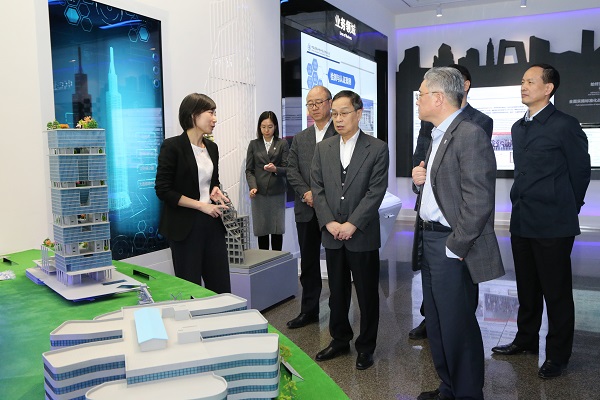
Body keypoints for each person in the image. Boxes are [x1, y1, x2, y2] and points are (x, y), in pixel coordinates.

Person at [491, 64, 591, 380]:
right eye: (522, 81)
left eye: (530, 82)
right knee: (527, 287)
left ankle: (558, 355)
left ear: (548, 89)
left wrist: (567, 207)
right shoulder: (518, 127)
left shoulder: (565, 125)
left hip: (554, 223)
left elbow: (580, 172)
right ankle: (526, 340)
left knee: (556, 292)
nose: (523, 86)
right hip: (522, 218)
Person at [412, 67, 504, 400]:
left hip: (449, 244)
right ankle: (448, 388)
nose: (418, 100)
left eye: (422, 94)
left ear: (438, 98)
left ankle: (467, 394)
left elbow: (479, 201)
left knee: (457, 327)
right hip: (429, 240)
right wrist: (418, 183)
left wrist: (456, 246)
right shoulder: (437, 133)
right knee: (437, 324)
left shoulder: (469, 134)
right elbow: (440, 188)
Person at [311, 90, 389, 371]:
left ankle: (366, 347)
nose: (338, 119)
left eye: (344, 113)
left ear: (358, 113)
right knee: (337, 293)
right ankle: (339, 339)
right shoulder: (324, 148)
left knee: (367, 295)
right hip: (332, 234)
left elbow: (375, 191)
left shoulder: (377, 148)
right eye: (334, 113)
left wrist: (352, 224)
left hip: (362, 234)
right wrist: (329, 222)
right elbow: (317, 188)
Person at [155, 93, 231, 294]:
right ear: (193, 115)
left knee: (221, 287)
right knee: (190, 289)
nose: (215, 119)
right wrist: (201, 205)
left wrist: (215, 189)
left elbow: (212, 180)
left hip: (212, 223)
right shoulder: (172, 147)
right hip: (185, 227)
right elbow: (163, 190)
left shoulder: (212, 148)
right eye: (210, 113)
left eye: (215, 113)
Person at [285, 85, 337, 329]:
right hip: (306, 209)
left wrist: (321, 196)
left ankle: (338, 311)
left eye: (318, 102)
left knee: (336, 263)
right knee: (308, 262)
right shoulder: (300, 138)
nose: (314, 107)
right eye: (310, 104)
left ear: (330, 103)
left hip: (334, 211)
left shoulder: (340, 133)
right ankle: (309, 311)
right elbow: (291, 169)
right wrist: (306, 193)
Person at [245, 111, 289, 250]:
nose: (266, 130)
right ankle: (264, 262)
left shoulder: (282, 143)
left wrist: (275, 169)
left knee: (277, 231)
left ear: (275, 126)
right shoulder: (254, 144)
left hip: (277, 192)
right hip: (259, 193)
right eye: (263, 127)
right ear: (259, 127)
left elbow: (288, 168)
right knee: (262, 231)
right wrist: (253, 187)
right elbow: (249, 170)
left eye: (270, 126)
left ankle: (277, 261)